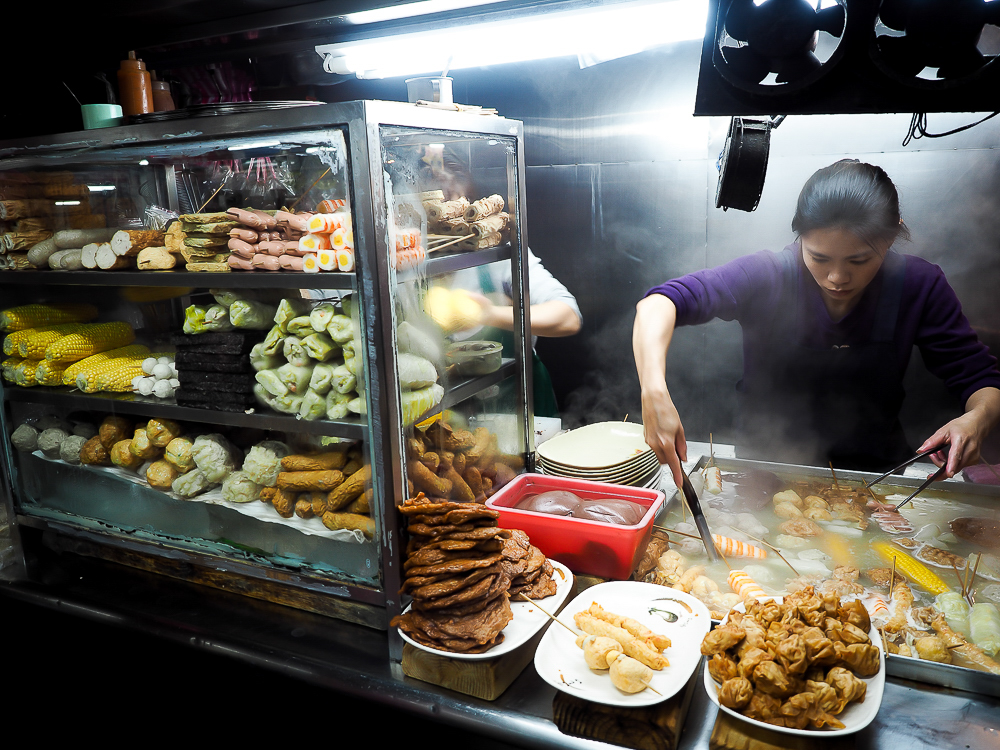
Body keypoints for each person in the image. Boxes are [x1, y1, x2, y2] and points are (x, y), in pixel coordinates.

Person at [633, 159, 1000, 486]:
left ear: (891, 238)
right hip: (764, 474)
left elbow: (981, 378)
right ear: (800, 236)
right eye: (819, 257)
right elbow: (659, 304)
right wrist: (653, 391)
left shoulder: (918, 285)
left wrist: (977, 419)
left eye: (858, 261)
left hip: (875, 480)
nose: (837, 277)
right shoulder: (768, 275)